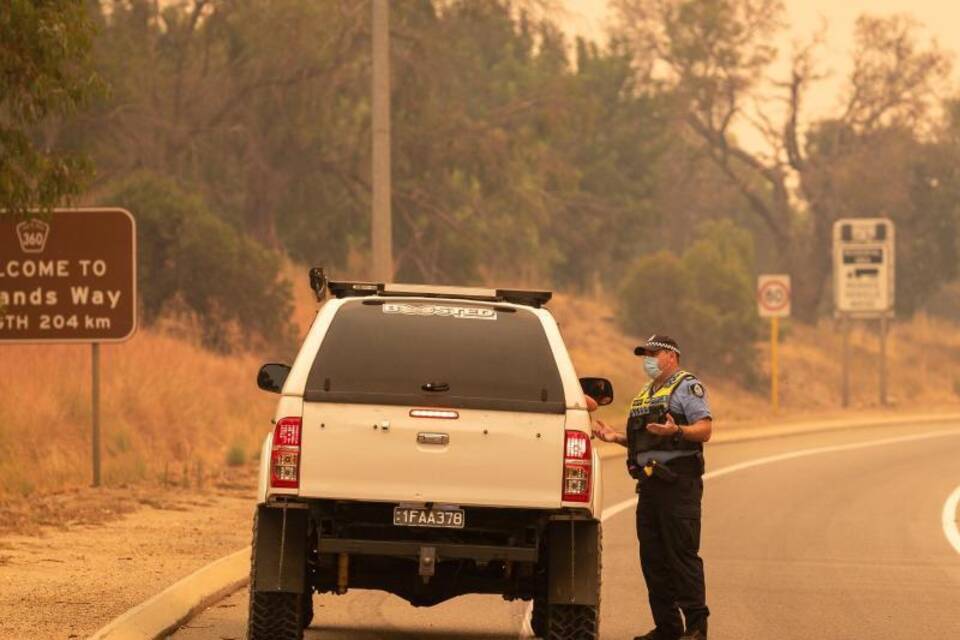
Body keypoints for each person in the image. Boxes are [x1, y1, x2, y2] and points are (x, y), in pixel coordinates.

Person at [592, 335, 712, 640]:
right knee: (653, 559)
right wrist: (615, 437)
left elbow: (705, 429)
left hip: (678, 483)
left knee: (681, 556)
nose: (648, 359)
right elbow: (644, 441)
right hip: (649, 485)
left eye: (653, 354)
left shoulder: (687, 387)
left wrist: (678, 430)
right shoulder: (646, 393)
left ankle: (696, 627)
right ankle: (668, 627)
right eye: (645, 355)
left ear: (671, 357)